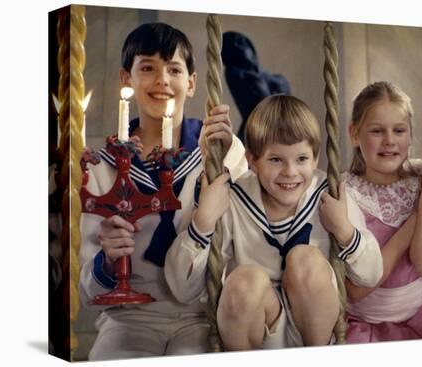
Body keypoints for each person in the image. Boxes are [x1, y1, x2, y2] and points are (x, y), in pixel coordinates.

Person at [78, 22, 248, 360]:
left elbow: (243, 242)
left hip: (203, 313)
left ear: (192, 82)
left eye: (174, 69)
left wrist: (225, 167)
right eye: (147, 68)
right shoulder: (101, 166)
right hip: (127, 317)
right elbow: (86, 290)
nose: (162, 81)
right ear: (126, 80)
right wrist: (108, 259)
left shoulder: (221, 151)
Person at [164, 94, 382, 350]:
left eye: (301, 159)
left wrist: (344, 231)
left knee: (305, 260)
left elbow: (371, 274)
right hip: (256, 325)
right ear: (253, 160)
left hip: (314, 326)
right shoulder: (235, 198)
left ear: (315, 157)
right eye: (276, 159)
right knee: (243, 279)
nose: (290, 171)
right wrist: (203, 222)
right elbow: (183, 289)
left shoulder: (329, 194)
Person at [342, 81, 422, 342]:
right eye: (377, 131)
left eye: (399, 130)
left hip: (420, 319)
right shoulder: (346, 192)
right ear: (355, 134)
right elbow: (356, 290)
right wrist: (421, 208)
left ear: (411, 134)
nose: (390, 141)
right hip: (366, 325)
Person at [221, 31, 291, 141]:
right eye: (234, 46)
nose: (240, 47)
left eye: (241, 42)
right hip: (257, 132)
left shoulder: (272, 77)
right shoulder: (235, 73)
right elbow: (265, 104)